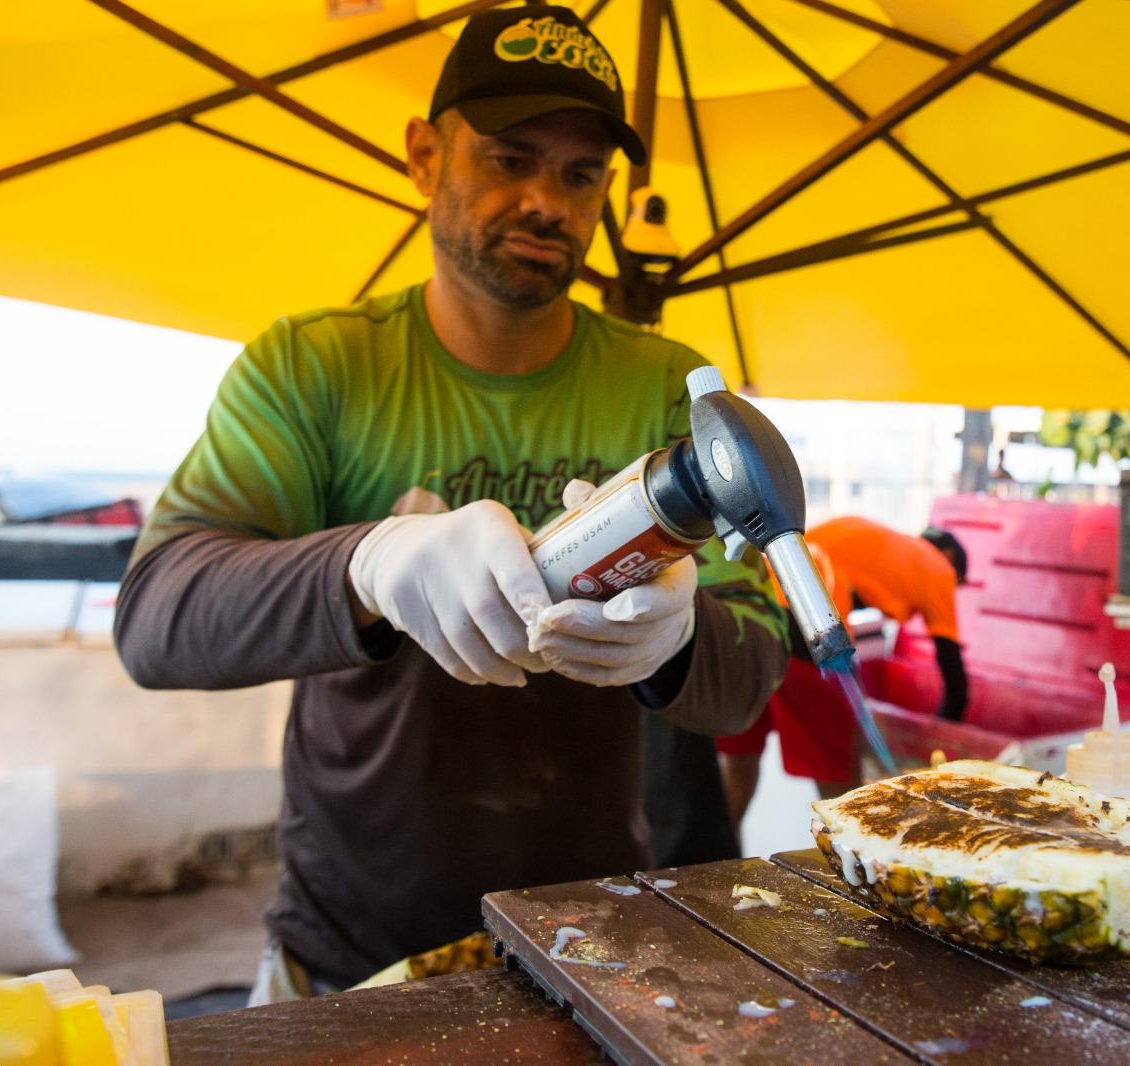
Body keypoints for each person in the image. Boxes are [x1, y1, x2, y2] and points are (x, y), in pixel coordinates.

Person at [112, 6, 787, 1000]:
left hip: (591, 941)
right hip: (348, 948)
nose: (546, 202)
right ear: (425, 155)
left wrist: (681, 641)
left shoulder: (671, 392)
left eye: (580, 174)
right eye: (509, 158)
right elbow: (158, 619)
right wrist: (366, 564)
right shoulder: (316, 367)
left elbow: (753, 668)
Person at [718, 516, 968, 821]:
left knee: (738, 760)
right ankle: (850, 848)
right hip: (806, 626)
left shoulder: (872, 535)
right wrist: (942, 751)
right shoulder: (939, 567)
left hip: (749, 618)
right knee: (839, 772)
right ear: (951, 558)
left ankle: (709, 856)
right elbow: (955, 681)